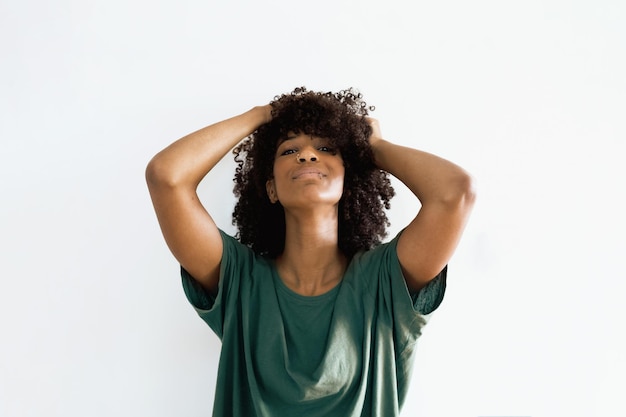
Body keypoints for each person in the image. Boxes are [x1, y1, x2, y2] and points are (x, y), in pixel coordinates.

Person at [145, 87, 476, 416]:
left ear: (348, 178)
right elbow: (167, 178)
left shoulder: (384, 282)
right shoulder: (240, 281)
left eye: (325, 148)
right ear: (270, 188)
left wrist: (372, 146)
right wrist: (260, 115)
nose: (307, 155)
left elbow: (455, 194)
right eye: (289, 151)